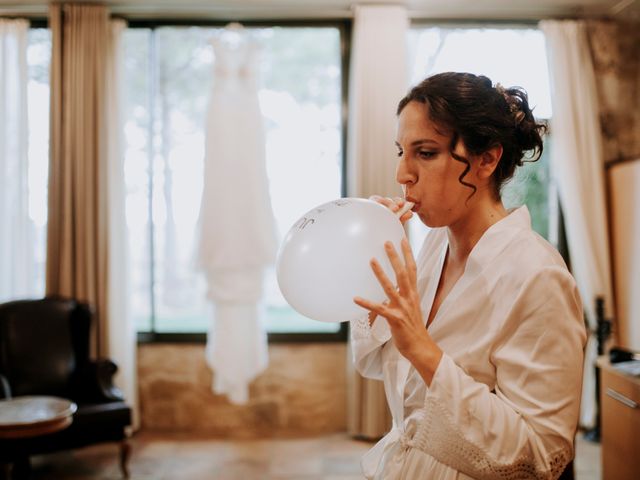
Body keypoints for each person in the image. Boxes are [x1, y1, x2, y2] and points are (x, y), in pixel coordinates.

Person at [350, 72, 586, 480]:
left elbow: (541, 460)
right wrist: (377, 264)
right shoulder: (432, 247)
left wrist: (424, 349)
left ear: (487, 159)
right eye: (401, 151)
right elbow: (376, 364)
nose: (401, 174)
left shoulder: (539, 277)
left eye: (424, 153)